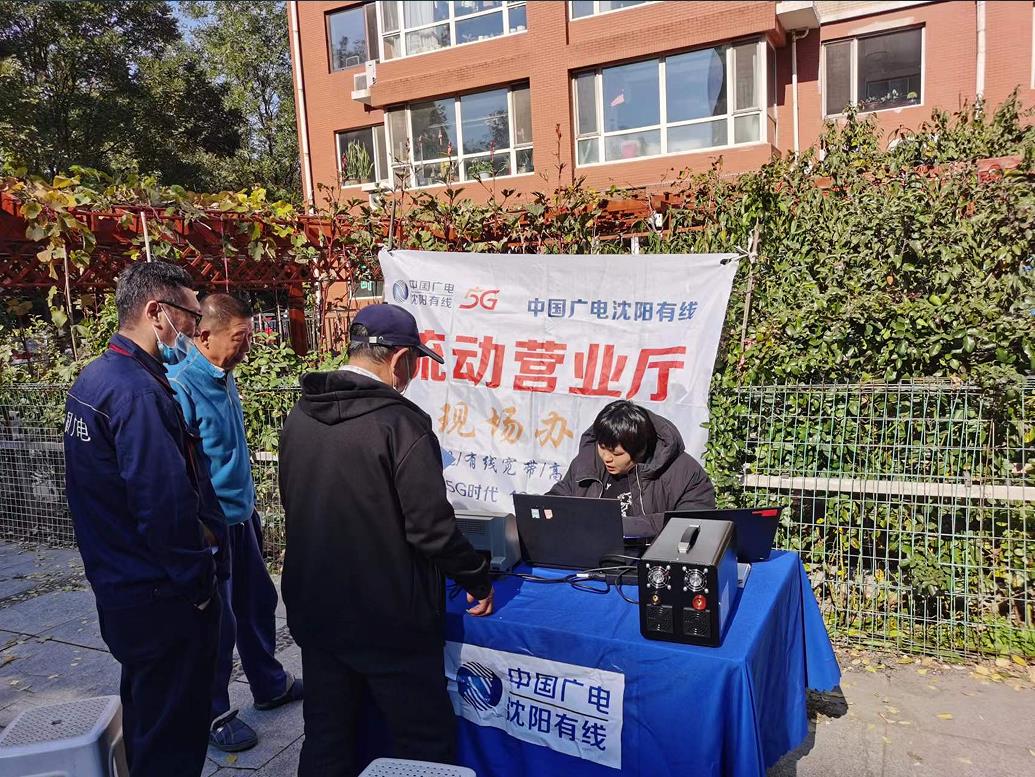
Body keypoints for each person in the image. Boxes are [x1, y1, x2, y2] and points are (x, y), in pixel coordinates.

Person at [279, 303, 494, 777]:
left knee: (327, 736)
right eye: (414, 362)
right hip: (388, 617)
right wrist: (476, 577)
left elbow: (293, 500)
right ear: (399, 359)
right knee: (423, 742)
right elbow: (431, 528)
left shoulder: (300, 415)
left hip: (316, 608)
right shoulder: (401, 424)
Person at [63, 261, 226, 777]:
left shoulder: (96, 378)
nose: (195, 331)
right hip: (159, 595)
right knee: (172, 734)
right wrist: (198, 584)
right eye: (190, 316)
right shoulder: (136, 393)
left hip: (120, 584)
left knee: (148, 718)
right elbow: (164, 504)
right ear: (157, 312)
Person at [166, 293, 302, 753]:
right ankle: (214, 713)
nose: (247, 346)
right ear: (204, 335)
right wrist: (201, 529)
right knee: (217, 624)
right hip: (212, 526)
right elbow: (181, 471)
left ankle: (270, 685)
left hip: (243, 517)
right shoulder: (181, 385)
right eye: (240, 337)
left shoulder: (224, 376)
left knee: (258, 603)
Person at [549, 399, 716, 540]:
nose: (606, 457)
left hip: (650, 560)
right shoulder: (588, 461)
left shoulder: (685, 473)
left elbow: (692, 523)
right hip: (587, 555)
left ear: (640, 450)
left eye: (617, 453)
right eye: (602, 447)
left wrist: (614, 526)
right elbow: (558, 498)